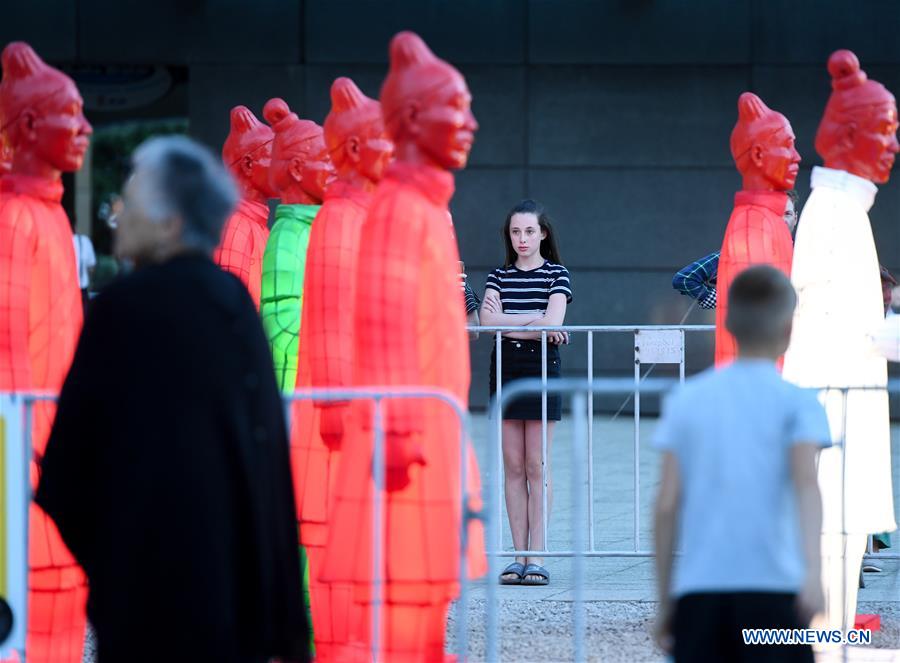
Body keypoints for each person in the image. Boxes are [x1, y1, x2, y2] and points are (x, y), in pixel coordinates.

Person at [35, 136, 309, 663]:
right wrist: (283, 624)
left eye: (130, 202)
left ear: (170, 222)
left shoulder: (119, 311)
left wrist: (112, 561)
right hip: (226, 594)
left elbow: (68, 467)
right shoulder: (234, 309)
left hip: (140, 596)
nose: (116, 214)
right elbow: (268, 463)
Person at [654, 265, 830, 662]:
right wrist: (815, 574)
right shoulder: (800, 403)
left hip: (700, 588)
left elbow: (666, 505)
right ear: (788, 329)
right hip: (775, 588)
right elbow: (807, 487)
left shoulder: (688, 399)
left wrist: (665, 599)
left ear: (728, 322)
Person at [0, 41, 92, 662]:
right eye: (72, 113)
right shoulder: (14, 219)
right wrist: (24, 455)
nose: (85, 128)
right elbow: (8, 355)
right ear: (29, 125)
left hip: (54, 456)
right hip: (28, 464)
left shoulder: (51, 216)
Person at [481, 198, 572, 587]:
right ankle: (518, 556)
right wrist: (532, 320)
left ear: (543, 233)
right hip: (504, 369)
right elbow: (487, 323)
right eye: (516, 231)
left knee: (537, 464)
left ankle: (538, 555)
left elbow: (552, 323)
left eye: (529, 231)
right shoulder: (498, 276)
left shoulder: (557, 275)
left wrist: (513, 322)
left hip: (541, 369)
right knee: (513, 466)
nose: (522, 238)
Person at [672, 190, 799, 310]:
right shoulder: (743, 252)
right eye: (775, 213)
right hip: (754, 330)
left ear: (795, 218)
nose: (782, 219)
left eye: (787, 214)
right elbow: (685, 278)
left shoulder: (807, 253)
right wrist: (727, 300)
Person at [72, 231, 96, 309]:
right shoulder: (84, 241)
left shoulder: (60, 240)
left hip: (68, 289)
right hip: (82, 288)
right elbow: (91, 267)